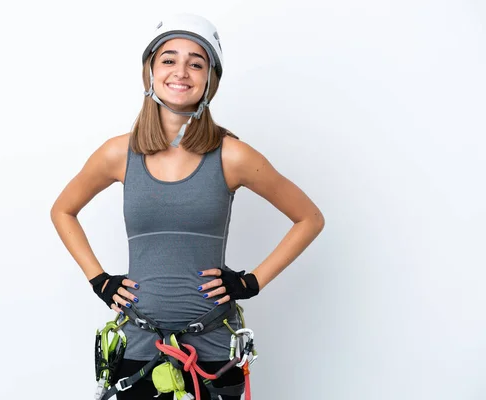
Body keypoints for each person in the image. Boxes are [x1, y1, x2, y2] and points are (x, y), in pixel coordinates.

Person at [50, 13, 325, 400]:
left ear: (210, 79)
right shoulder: (118, 154)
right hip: (138, 349)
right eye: (169, 59)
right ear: (150, 70)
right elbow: (62, 211)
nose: (181, 72)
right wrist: (100, 280)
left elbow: (309, 218)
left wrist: (251, 282)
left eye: (196, 63)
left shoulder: (232, 155)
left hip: (214, 353)